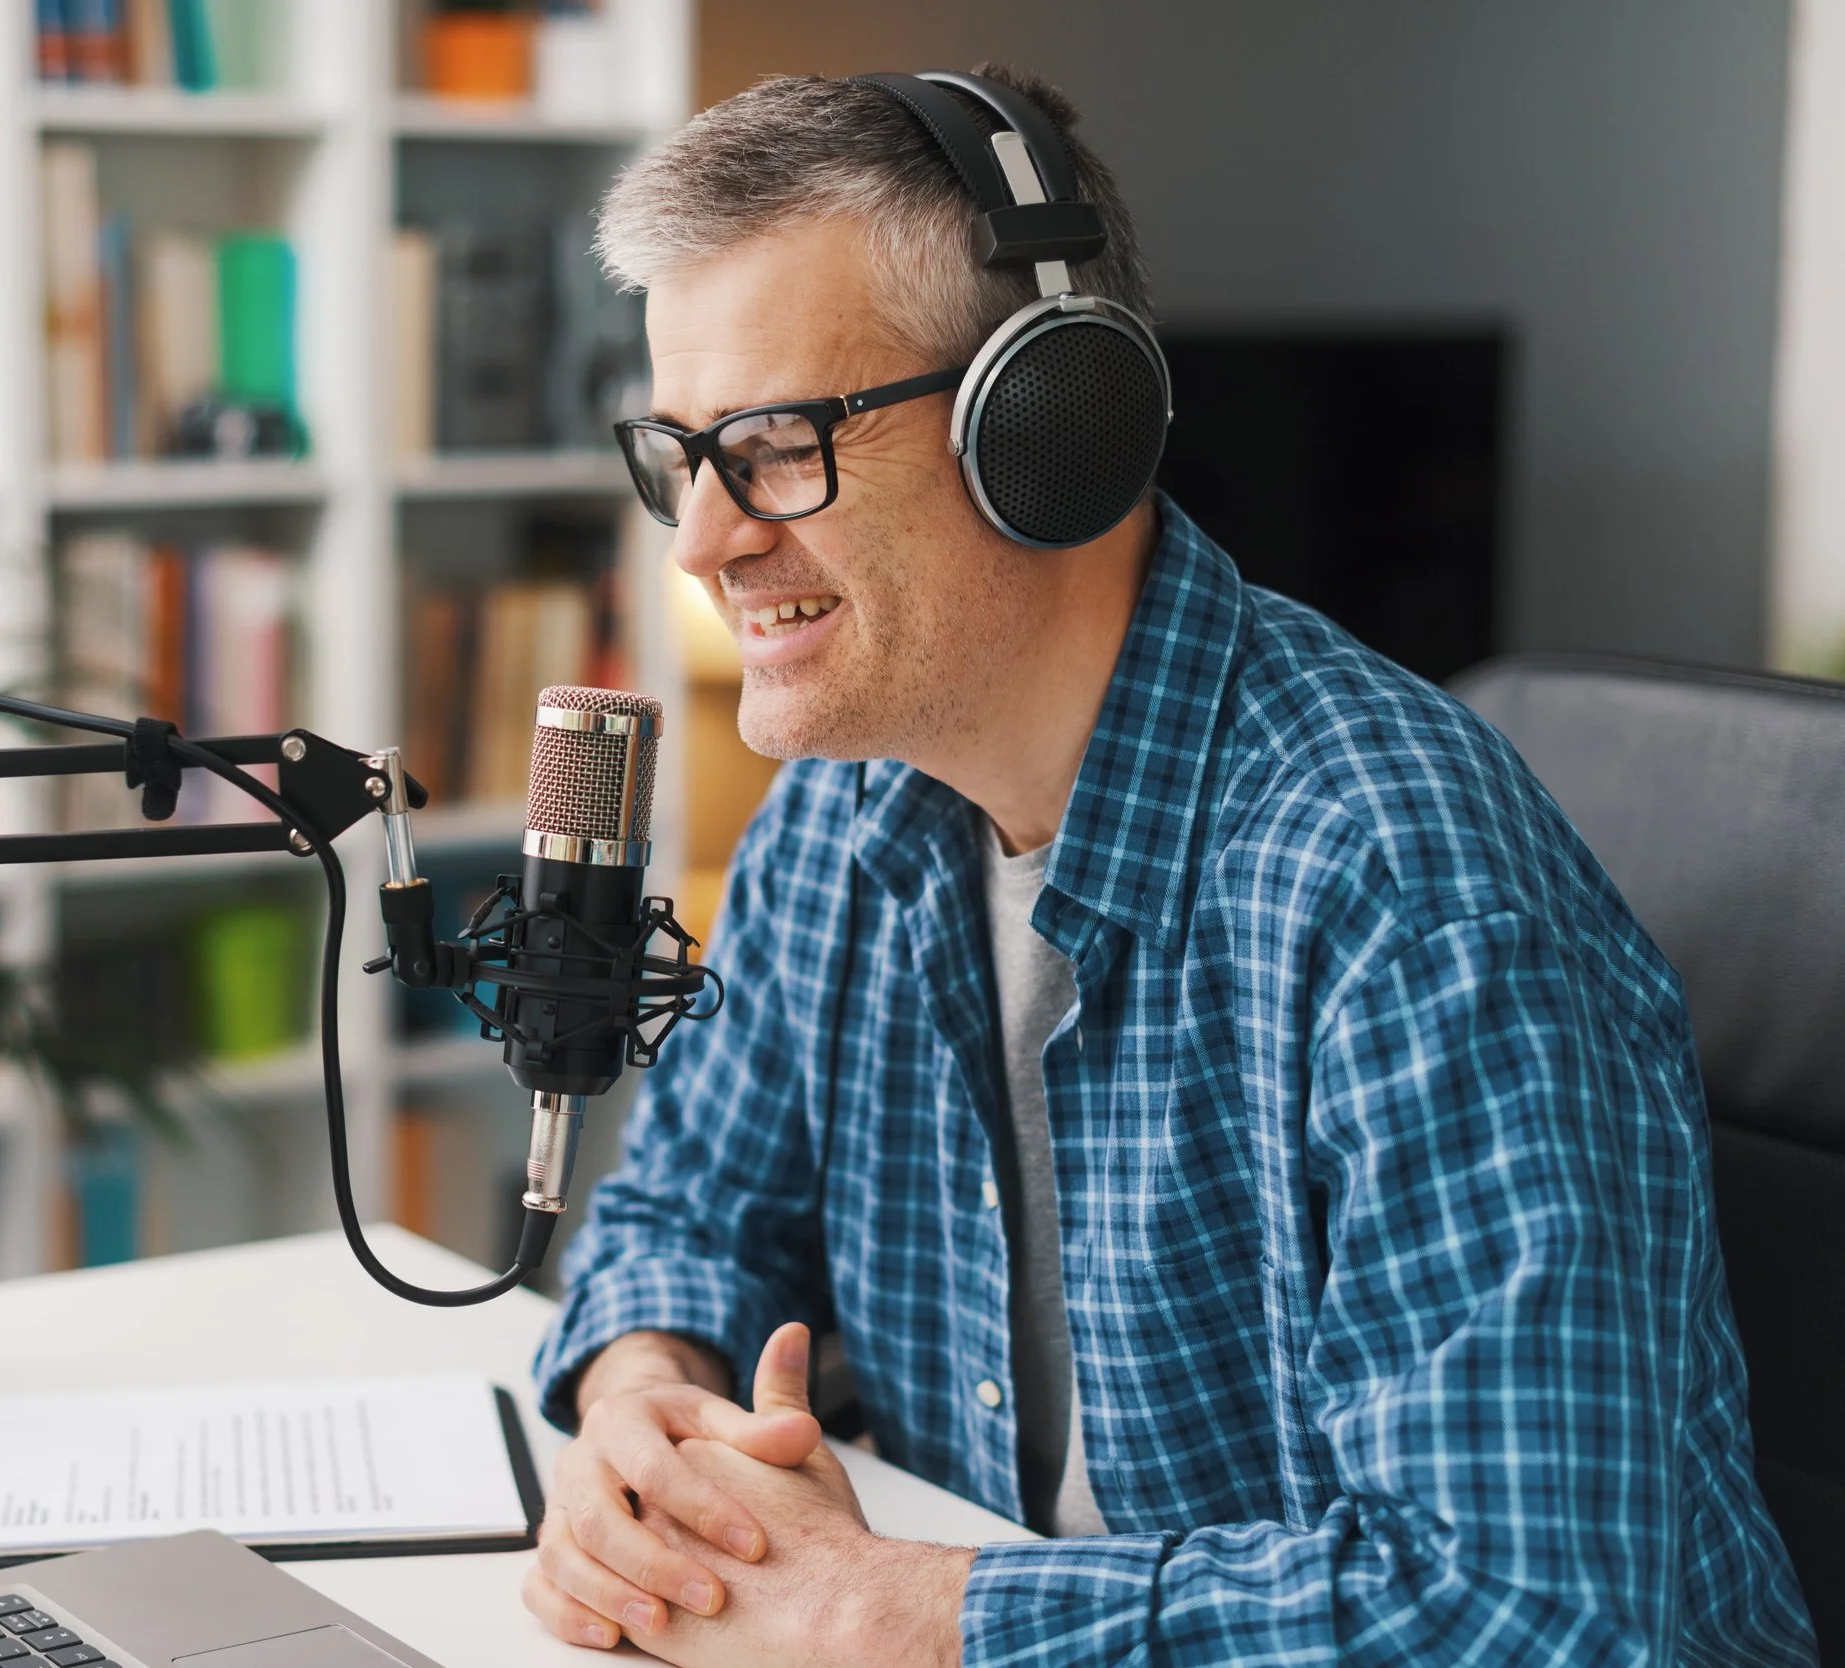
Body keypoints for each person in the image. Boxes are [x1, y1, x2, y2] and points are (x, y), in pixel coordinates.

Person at [520, 64, 1817, 1667]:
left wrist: (891, 1612)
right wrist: (641, 1398)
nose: (702, 542)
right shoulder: (843, 820)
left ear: (1052, 425)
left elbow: (1530, 1615)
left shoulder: (1404, 893)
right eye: (681, 453)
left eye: (779, 446)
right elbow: (687, 1213)